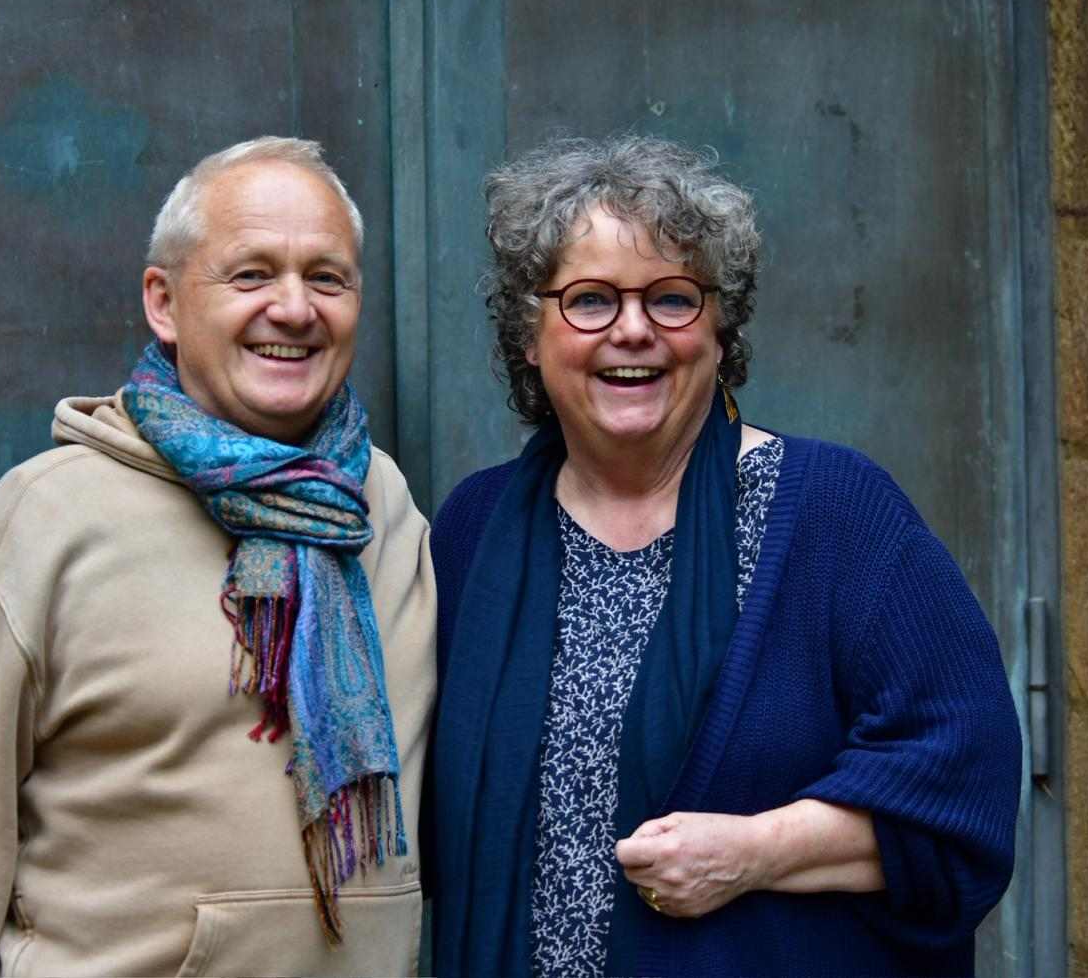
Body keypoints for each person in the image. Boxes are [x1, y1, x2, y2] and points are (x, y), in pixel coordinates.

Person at [425, 135, 1021, 977]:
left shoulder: (835, 514)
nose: (633, 330)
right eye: (589, 300)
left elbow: (963, 793)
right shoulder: (475, 529)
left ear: (718, 327)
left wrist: (755, 853)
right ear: (531, 334)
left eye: (672, 298)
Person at [0, 137, 435, 977]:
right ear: (163, 303)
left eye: (326, 278)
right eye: (251, 275)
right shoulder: (45, 518)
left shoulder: (382, 506)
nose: (294, 308)